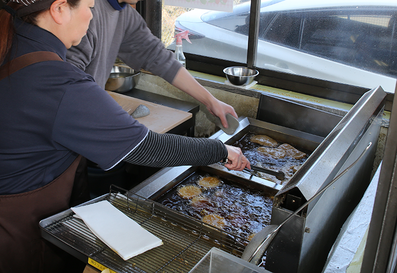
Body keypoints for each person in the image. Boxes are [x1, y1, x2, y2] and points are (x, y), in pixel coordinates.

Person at [0, 0, 250, 271]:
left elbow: (154, 53)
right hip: (20, 215)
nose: (90, 14)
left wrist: (209, 100)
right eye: (87, 6)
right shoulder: (60, 82)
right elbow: (148, 148)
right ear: (59, 9)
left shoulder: (20, 38)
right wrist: (221, 150)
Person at [66, 0, 237, 129]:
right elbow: (69, 86)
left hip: (82, 124)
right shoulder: (85, 11)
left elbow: (159, 57)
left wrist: (210, 101)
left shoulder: (125, 15)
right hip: (64, 125)